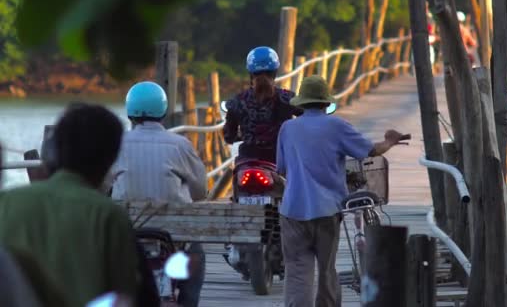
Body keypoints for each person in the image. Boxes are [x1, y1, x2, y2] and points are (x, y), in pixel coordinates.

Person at [276, 75, 404, 307]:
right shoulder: (336, 126)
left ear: (301, 103)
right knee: (326, 270)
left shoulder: (287, 128)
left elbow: (282, 169)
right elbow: (371, 151)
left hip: (292, 210)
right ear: (326, 103)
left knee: (297, 273)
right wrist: (390, 141)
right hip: (327, 211)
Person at [0, 103, 142, 307]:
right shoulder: (109, 215)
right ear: (110, 159)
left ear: (53, 152)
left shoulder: (7, 201)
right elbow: (126, 296)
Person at [107, 81, 206, 307]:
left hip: (128, 235)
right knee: (197, 256)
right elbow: (200, 191)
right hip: (175, 237)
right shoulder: (180, 145)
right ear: (163, 111)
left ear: (130, 112)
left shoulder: (116, 144)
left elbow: (102, 186)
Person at [223, 46, 303, 164]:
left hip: (247, 160)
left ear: (250, 73)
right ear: (275, 72)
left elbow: (229, 136)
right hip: (279, 160)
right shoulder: (287, 98)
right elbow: (308, 118)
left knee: (236, 179)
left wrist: (242, 135)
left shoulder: (238, 100)